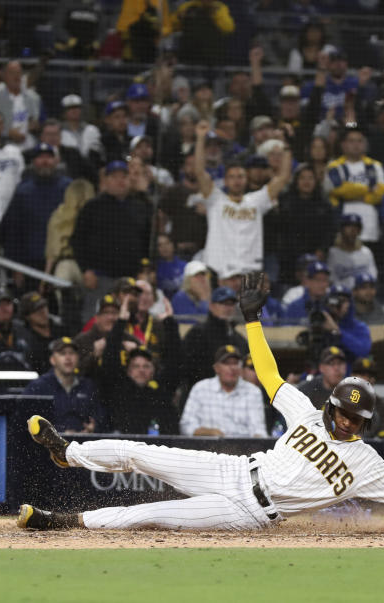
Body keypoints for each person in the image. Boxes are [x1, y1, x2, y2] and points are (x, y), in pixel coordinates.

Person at [16, 273, 384, 532]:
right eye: (344, 412)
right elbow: (271, 375)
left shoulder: (367, 462)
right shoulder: (305, 412)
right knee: (140, 453)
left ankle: (58, 522)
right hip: (233, 469)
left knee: (149, 512)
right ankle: (66, 452)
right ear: (331, 407)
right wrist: (252, 321)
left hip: (247, 510)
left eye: (357, 418)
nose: (349, 422)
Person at [192, 121, 291, 279]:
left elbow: (283, 177)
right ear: (225, 181)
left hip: (248, 270)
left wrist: (284, 145)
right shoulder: (216, 199)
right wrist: (200, 139)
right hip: (219, 269)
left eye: (240, 176)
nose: (237, 181)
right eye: (232, 177)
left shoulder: (257, 200)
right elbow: (198, 171)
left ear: (246, 179)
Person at [71, 161, 153, 319]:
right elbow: (77, 240)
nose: (120, 181)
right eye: (114, 177)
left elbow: (147, 242)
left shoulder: (140, 207)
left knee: (129, 321)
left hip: (130, 278)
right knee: (95, 320)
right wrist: (86, 269)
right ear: (106, 181)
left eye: (124, 177)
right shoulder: (92, 207)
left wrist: (145, 269)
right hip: (100, 277)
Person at [99, 296, 181, 435]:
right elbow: (110, 359)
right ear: (128, 370)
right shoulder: (120, 388)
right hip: (125, 451)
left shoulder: (160, 390)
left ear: (153, 370)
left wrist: (169, 323)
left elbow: (175, 362)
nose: (141, 370)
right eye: (136, 366)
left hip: (156, 451)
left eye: (146, 366)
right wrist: (121, 321)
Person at [1, 143, 72, 273]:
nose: (45, 161)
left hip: (61, 260)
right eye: (40, 158)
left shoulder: (68, 188)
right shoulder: (23, 191)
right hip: (31, 261)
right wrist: (16, 267)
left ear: (56, 161)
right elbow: (13, 232)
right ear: (33, 162)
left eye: (49, 157)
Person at [325, 124, 384, 255]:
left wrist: (355, 194)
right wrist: (369, 190)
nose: (356, 145)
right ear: (343, 145)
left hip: (372, 229)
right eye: (351, 141)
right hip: (343, 229)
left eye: (360, 141)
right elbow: (338, 189)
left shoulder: (375, 166)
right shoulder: (334, 166)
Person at [179, 344, 267, 437]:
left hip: (242, 448)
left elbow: (259, 430)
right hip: (207, 447)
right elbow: (186, 426)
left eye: (235, 363)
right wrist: (209, 433)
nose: (232, 368)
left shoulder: (253, 392)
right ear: (216, 368)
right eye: (226, 363)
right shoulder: (200, 389)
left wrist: (257, 441)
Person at [23, 337, 107, 433]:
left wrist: (94, 428)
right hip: (48, 445)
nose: (68, 357)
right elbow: (25, 421)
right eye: (62, 353)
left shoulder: (88, 386)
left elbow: (102, 418)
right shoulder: (38, 386)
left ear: (78, 358)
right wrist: (59, 434)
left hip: (83, 444)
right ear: (52, 360)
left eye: (72, 353)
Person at [180, 286, 247, 389]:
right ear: (211, 306)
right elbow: (184, 367)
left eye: (231, 304)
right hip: (201, 394)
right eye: (223, 303)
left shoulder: (239, 339)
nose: (228, 308)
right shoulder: (198, 333)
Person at [326, 214, 377, 290]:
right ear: (341, 229)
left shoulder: (366, 252)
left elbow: (373, 276)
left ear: (360, 231)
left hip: (362, 293)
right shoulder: (333, 253)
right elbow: (331, 279)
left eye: (356, 227)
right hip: (341, 293)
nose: (352, 230)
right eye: (348, 226)